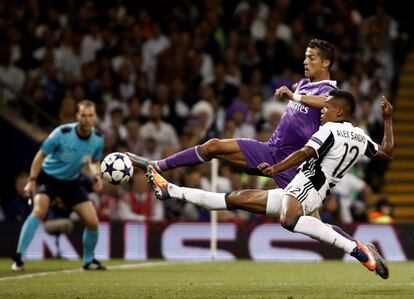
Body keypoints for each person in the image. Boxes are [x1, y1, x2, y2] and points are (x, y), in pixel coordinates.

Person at [145, 90, 393, 279]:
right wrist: (388, 120)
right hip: (311, 189)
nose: (322, 111)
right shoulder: (361, 136)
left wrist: (275, 169)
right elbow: (386, 152)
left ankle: (356, 249)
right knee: (234, 199)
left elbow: (305, 153)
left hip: (307, 184)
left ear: (339, 112)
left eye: (327, 107)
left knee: (289, 220)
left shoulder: (329, 130)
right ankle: (170, 190)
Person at [12, 100, 106, 271]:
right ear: (77, 116)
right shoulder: (62, 133)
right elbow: (40, 156)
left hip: (72, 182)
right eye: (83, 115)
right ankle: (19, 258)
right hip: (49, 178)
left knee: (92, 222)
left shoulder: (98, 139)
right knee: (39, 210)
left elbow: (94, 161)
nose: (87, 119)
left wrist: (97, 175)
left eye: (90, 115)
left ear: (95, 117)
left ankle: (88, 260)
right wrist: (32, 180)